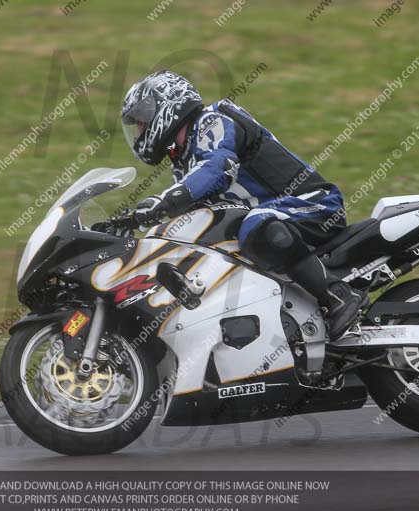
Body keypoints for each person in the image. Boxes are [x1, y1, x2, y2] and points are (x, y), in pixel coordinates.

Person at [121, 70, 368, 340]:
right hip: (276, 221)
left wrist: (165, 200)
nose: (139, 132)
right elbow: (183, 220)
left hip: (314, 204)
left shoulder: (214, 120)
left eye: (141, 122)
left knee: (255, 224)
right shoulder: (185, 165)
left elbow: (217, 168)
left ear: (167, 105)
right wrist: (128, 224)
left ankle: (339, 296)